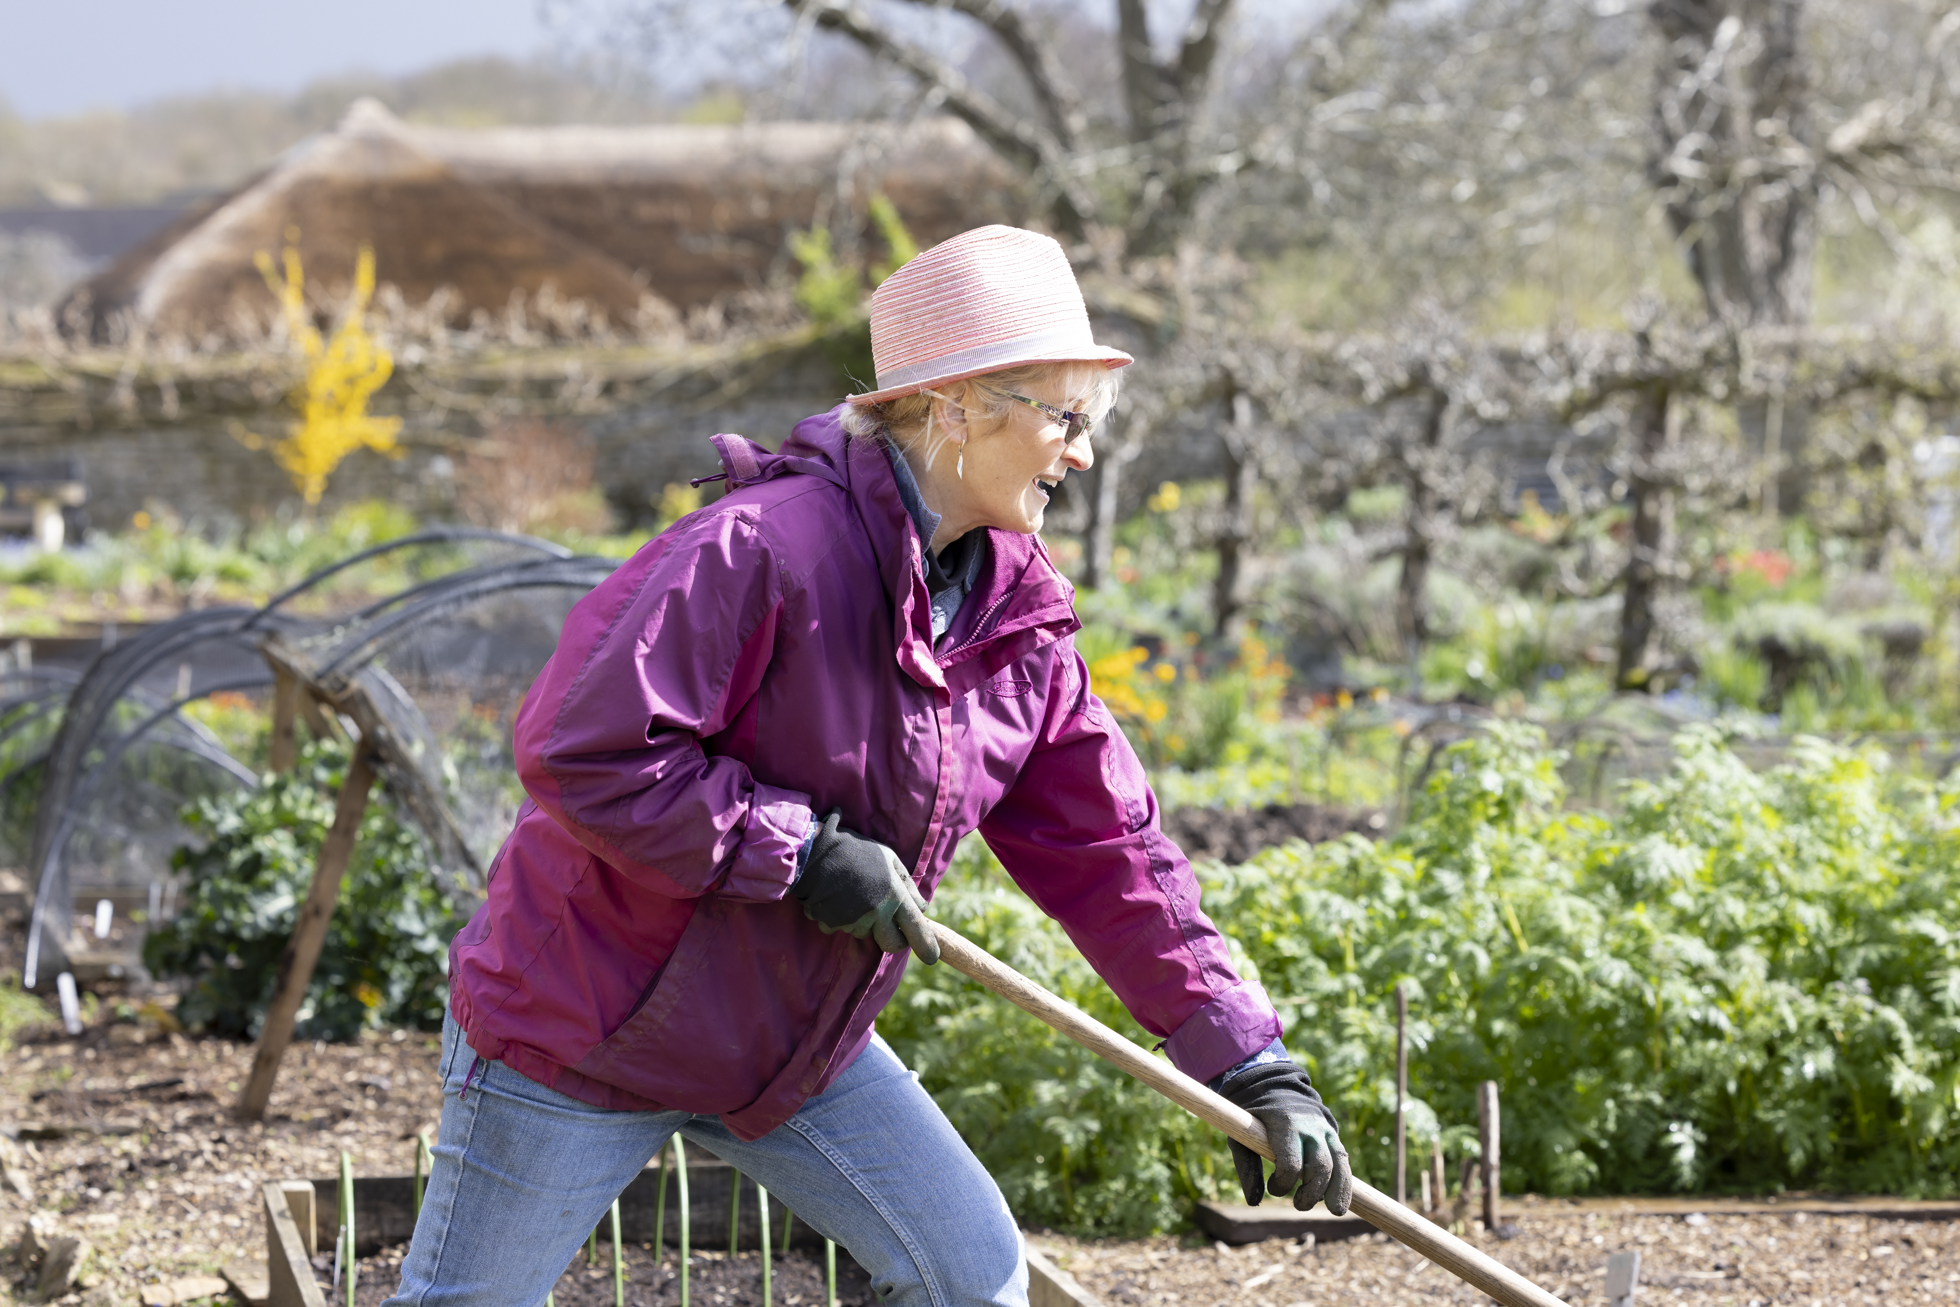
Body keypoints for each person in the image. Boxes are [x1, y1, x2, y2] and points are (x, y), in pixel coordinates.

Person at [385, 224, 1351, 1307]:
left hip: (792, 1043)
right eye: (1063, 417)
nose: (1080, 453)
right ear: (952, 407)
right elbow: (586, 748)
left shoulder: (1011, 619)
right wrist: (799, 854)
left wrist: (1243, 1054)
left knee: (968, 1277)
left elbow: (1110, 847)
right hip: (585, 1023)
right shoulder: (759, 550)